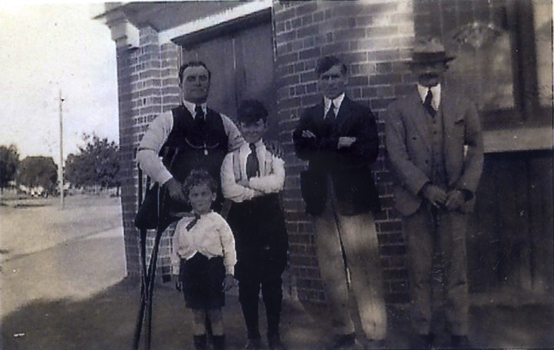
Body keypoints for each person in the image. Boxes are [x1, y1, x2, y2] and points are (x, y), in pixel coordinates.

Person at [384, 38, 484, 349]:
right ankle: (423, 331)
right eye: (422, 65)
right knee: (420, 269)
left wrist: (464, 190)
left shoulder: (462, 104)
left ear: (444, 67)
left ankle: (459, 331)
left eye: (435, 64)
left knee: (456, 270)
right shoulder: (398, 110)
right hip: (416, 203)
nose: (429, 70)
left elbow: (477, 150)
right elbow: (396, 155)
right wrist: (424, 188)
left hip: (454, 201)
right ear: (413, 70)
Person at [292, 56, 386, 349]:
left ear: (345, 78)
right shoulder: (309, 115)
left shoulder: (360, 113)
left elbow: (367, 152)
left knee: (364, 264)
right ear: (317, 81)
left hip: (354, 197)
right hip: (321, 199)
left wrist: (321, 145)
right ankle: (343, 330)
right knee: (330, 266)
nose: (330, 82)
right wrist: (338, 144)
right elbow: (301, 149)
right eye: (324, 78)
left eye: (335, 77)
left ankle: (374, 332)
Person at [137, 60, 243, 231]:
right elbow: (144, 153)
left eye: (203, 78)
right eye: (191, 79)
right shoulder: (167, 119)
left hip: (217, 204)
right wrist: (170, 182)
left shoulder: (223, 121)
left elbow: (242, 152)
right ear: (181, 84)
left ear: (209, 83)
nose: (198, 82)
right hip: (180, 204)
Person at [221, 100, 288, 350]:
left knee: (272, 280)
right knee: (247, 283)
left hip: (270, 221)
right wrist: (260, 187)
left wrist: (247, 183)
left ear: (265, 125)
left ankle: (274, 334)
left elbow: (278, 183)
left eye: (256, 124)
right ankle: (253, 336)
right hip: (242, 223)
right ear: (239, 126)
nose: (251, 130)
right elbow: (229, 190)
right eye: (246, 125)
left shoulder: (273, 153)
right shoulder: (231, 159)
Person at [170, 169, 236, 350]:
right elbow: (176, 250)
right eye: (195, 195)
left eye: (204, 194)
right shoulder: (183, 224)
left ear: (213, 196)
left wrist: (230, 272)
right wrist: (177, 273)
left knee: (215, 314)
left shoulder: (218, 221)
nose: (199, 199)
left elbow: (229, 247)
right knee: (197, 315)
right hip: (191, 273)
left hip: (212, 272)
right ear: (189, 198)